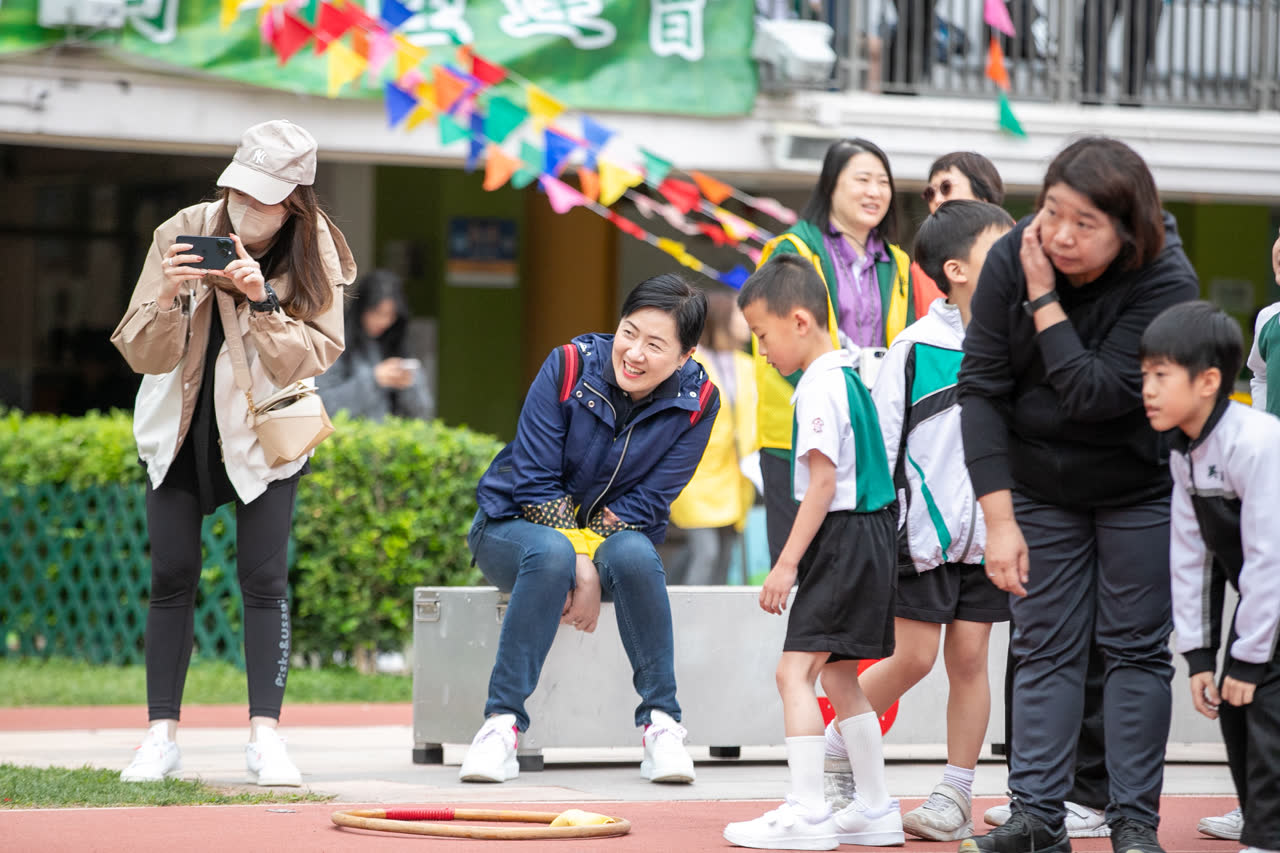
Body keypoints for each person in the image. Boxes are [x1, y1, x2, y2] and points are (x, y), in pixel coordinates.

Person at [956, 136, 1198, 853]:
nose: (1060, 234)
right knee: (1043, 645)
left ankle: (1133, 821)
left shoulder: (1164, 276)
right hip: (1039, 482)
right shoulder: (1013, 253)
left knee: (1134, 651)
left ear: (1128, 229)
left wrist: (1042, 296)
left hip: (1139, 482)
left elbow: (1095, 392)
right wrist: (999, 520)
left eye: (1084, 223)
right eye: (1053, 211)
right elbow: (981, 389)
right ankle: (1037, 817)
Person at [110, 119, 356, 785]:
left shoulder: (315, 249)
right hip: (179, 426)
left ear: (293, 201)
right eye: (238, 189)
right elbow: (142, 353)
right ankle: (159, 736)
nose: (245, 205)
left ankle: (265, 737)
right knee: (171, 575)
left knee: (264, 582)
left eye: (262, 196)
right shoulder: (183, 228)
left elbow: (313, 357)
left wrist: (261, 299)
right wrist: (167, 295)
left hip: (263, 433)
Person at [460, 274, 718, 784]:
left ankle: (662, 725)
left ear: (685, 356)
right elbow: (534, 480)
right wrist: (581, 564)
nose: (634, 353)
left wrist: (586, 560)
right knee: (551, 555)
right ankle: (501, 726)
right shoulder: (569, 366)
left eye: (655, 345)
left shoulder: (699, 401)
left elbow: (650, 499)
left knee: (637, 556)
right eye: (628, 332)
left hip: (614, 532)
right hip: (512, 524)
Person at [724, 253, 902, 850]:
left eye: (762, 335)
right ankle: (874, 807)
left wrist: (785, 564)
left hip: (844, 538)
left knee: (793, 672)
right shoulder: (847, 374)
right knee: (839, 674)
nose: (762, 351)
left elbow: (823, 484)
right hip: (872, 534)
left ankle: (808, 810)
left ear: (799, 321)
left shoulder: (818, 386)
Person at [855, 200, 1013, 842]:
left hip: (993, 537)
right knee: (913, 658)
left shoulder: (1019, 342)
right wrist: (878, 528)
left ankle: (955, 793)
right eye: (999, 247)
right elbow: (881, 445)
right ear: (956, 270)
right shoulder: (915, 347)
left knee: (971, 658)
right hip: (921, 536)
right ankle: (834, 749)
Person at [1140, 300, 1280, 853]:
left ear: (1208, 382)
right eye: (1144, 375)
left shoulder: (1257, 443)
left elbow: (1270, 557)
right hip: (1264, 602)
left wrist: (1249, 658)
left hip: (1272, 593)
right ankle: (1263, 829)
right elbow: (1191, 555)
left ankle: (1266, 837)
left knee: (1265, 711)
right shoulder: (1186, 451)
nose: (1148, 390)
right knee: (1238, 716)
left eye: (1161, 376)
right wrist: (1199, 655)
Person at [753, 137, 916, 569]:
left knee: (855, 567)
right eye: (862, 180)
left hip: (869, 433)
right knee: (799, 568)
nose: (875, 192)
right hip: (798, 432)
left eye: (883, 182)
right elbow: (776, 340)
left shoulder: (898, 263)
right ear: (830, 186)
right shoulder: (791, 251)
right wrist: (837, 399)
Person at [668, 290, 758, 585]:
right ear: (721, 318)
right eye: (739, 315)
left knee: (723, 553)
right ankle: (686, 613)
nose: (747, 322)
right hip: (696, 473)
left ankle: (677, 599)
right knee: (706, 552)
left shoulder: (747, 364)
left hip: (734, 475)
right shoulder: (689, 364)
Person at [317, 268, 434, 421]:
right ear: (362, 308)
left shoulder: (397, 340)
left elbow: (423, 413)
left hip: (390, 433)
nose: (383, 321)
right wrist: (374, 379)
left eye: (390, 315)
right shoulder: (335, 343)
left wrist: (409, 384)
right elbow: (323, 405)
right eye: (377, 312)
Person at [914, 152, 1007, 319]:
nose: (937, 199)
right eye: (930, 193)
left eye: (946, 188)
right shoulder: (920, 267)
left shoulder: (1022, 249)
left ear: (983, 196)